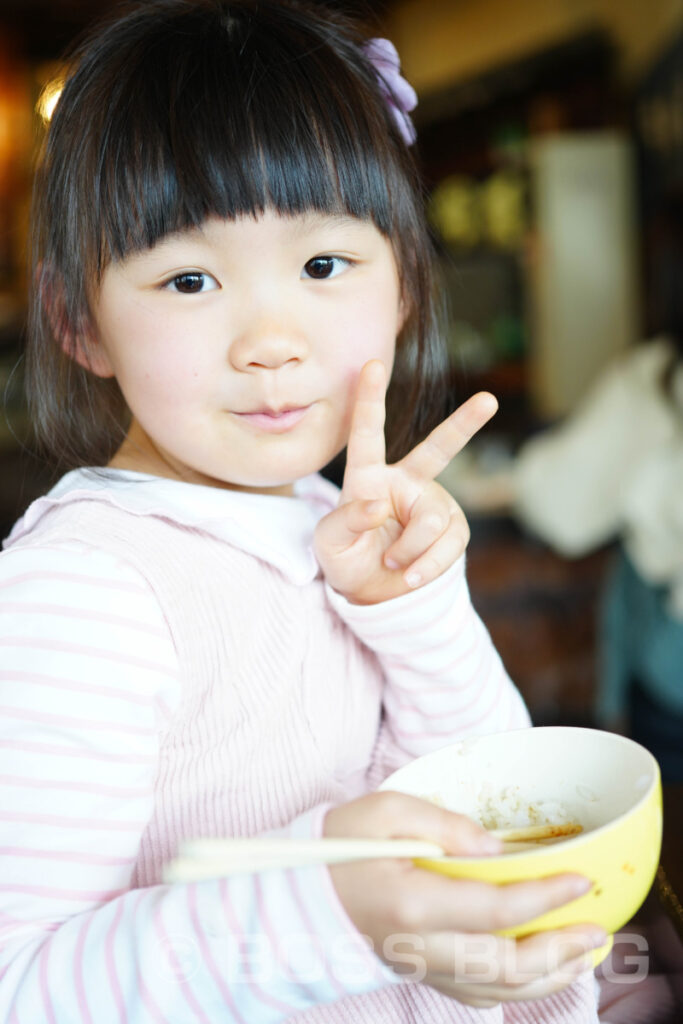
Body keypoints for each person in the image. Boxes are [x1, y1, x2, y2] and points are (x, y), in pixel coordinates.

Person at [0, 2, 605, 1020]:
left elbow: (487, 792)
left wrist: (413, 612)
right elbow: (21, 985)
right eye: (189, 278)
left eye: (323, 266)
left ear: (404, 282)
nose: (269, 341)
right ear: (79, 323)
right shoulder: (85, 587)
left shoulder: (331, 516)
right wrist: (336, 908)